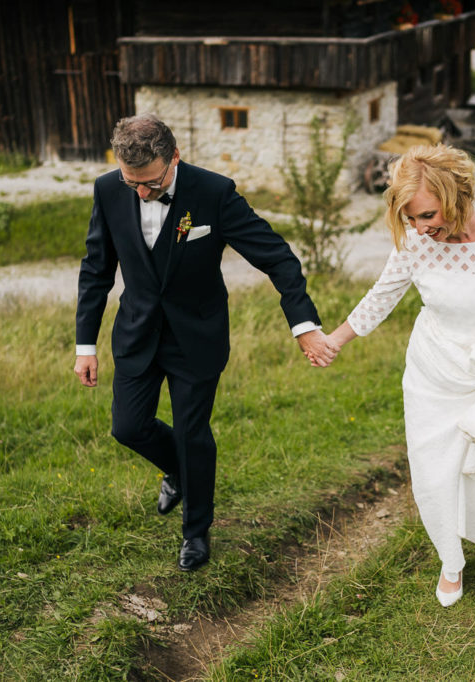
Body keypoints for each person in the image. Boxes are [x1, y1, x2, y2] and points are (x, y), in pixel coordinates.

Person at [74, 114, 336, 572]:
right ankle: (180, 471)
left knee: (192, 434)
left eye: (151, 183)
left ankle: (196, 532)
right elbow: (96, 270)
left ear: (174, 157)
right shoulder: (108, 189)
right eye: (131, 182)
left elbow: (277, 257)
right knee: (128, 427)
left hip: (197, 335)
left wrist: (304, 325)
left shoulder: (214, 192)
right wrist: (85, 345)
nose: (141, 193)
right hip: (136, 333)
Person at [325, 144, 475, 606]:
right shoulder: (416, 245)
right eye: (410, 218)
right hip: (433, 374)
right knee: (434, 473)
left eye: (427, 215)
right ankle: (451, 561)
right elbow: (381, 297)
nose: (419, 228)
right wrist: (334, 340)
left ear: (457, 195)